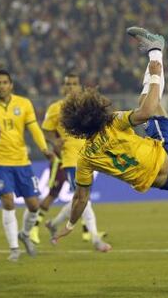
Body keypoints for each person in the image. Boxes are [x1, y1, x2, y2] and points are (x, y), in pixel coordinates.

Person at [55, 27, 168, 241]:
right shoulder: (112, 121)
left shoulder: (85, 159)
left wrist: (70, 224)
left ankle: (155, 49)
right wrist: (155, 76)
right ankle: (156, 49)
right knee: (149, 107)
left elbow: (80, 198)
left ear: (76, 128)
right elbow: (147, 111)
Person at [32, 73, 110, 252]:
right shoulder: (55, 108)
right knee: (84, 199)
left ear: (79, 86)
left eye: (74, 84)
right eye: (68, 84)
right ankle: (95, 238)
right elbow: (46, 130)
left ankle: (54, 224)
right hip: (70, 160)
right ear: (63, 87)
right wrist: (54, 141)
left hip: (89, 157)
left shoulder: (85, 106)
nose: (71, 87)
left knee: (79, 198)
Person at [0, 69, 55, 261]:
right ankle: (14, 249)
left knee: (34, 205)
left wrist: (44, 148)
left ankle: (25, 235)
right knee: (8, 202)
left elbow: (34, 128)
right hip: (0, 162)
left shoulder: (24, 103)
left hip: (22, 162)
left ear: (11, 85)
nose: (1, 86)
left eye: (4, 82)